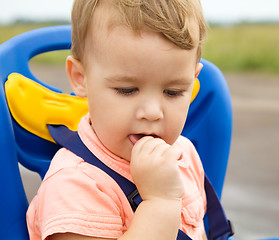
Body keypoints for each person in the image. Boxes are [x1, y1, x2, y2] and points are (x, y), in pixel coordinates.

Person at [26, 0, 208, 239]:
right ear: (81, 78)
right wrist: (160, 203)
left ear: (192, 81)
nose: (153, 112)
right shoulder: (75, 185)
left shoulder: (183, 154)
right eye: (127, 90)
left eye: (173, 92)